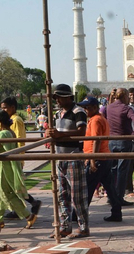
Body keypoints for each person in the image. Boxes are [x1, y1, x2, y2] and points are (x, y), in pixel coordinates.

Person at [47, 84, 88, 237]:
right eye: (56, 98)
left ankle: (83, 226)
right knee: (62, 194)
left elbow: (81, 131)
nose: (57, 100)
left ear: (67, 97)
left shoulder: (78, 111)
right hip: (60, 157)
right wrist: (52, 134)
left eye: (59, 97)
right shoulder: (59, 114)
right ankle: (65, 225)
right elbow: (57, 133)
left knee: (77, 196)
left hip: (73, 156)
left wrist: (59, 135)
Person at [0, 110, 36, 230]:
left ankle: (28, 216)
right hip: (8, 167)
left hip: (4, 169)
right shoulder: (11, 132)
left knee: (6, 194)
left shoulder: (2, 134)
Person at [0, 97, 42, 219]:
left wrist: (15, 155)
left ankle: (29, 204)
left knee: (14, 185)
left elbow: (18, 139)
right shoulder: (10, 120)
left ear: (13, 107)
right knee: (14, 185)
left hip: (15, 156)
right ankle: (24, 206)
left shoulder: (16, 120)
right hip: (12, 156)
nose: (3, 110)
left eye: (5, 108)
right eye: (2, 108)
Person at [103, 88, 134, 219]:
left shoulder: (108, 108)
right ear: (124, 96)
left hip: (111, 142)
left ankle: (111, 197)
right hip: (124, 141)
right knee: (122, 172)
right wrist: (133, 135)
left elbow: (102, 116)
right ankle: (118, 200)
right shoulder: (126, 108)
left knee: (112, 171)